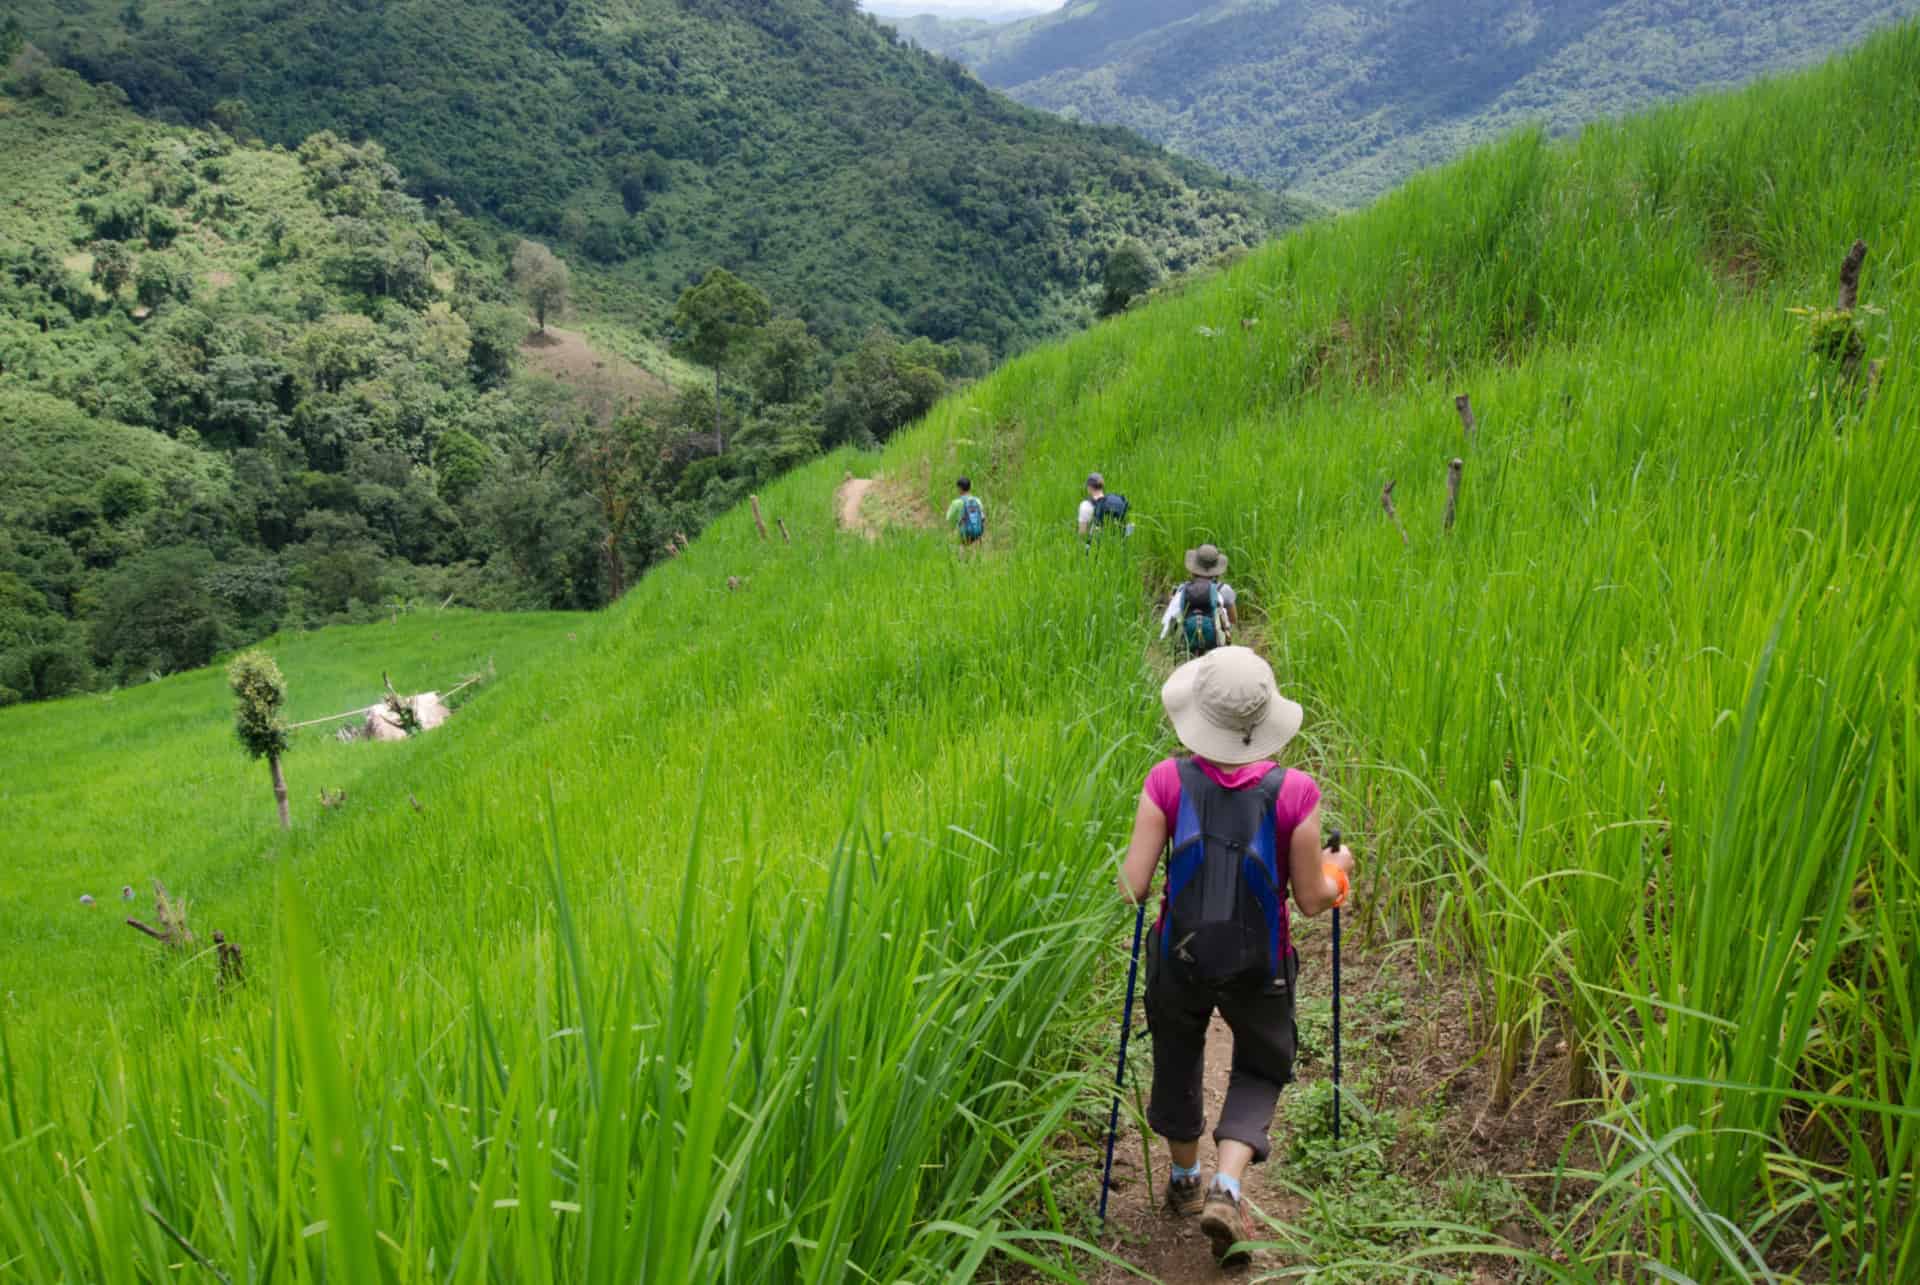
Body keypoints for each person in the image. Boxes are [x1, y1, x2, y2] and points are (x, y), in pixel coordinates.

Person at [1116, 646, 1356, 1266]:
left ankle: (1182, 1179)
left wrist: (1140, 869)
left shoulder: (1167, 780)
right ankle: (1228, 1184)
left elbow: (1136, 884)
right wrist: (1339, 875)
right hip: (1262, 965)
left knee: (1176, 1054)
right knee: (1260, 1065)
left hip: (1181, 958)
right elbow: (1310, 899)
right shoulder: (1296, 792)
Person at [1160, 543, 1237, 656]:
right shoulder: (1224, 590)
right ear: (1216, 569)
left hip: (1187, 644)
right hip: (1215, 646)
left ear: (1193, 568)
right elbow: (1233, 620)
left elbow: (1171, 620)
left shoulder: (1182, 589)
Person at [1078, 472, 1132, 538]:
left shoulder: (1085, 505)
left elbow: (1082, 534)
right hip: (1119, 542)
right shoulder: (1116, 501)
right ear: (1102, 487)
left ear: (1089, 488)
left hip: (1096, 544)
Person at [945, 476, 986, 544]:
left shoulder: (956, 502)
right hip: (978, 533)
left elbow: (948, 518)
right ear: (970, 487)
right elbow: (983, 518)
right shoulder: (977, 500)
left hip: (963, 534)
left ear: (959, 488)